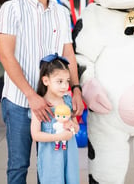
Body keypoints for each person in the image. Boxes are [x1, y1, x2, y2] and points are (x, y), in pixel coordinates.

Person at [0, 0, 84, 184]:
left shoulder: (61, 13)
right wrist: (31, 95)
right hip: (19, 101)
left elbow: (68, 54)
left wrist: (76, 89)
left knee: (50, 165)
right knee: (19, 165)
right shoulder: (11, 9)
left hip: (55, 103)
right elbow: (6, 56)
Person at [30, 54, 80, 184]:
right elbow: (35, 135)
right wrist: (59, 137)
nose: (65, 86)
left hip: (69, 154)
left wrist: (72, 126)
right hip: (50, 156)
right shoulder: (41, 105)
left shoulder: (67, 101)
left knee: (71, 179)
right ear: (46, 81)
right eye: (59, 81)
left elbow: (76, 126)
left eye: (67, 81)